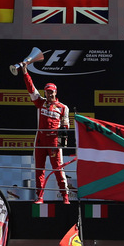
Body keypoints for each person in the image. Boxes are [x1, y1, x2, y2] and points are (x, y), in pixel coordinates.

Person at [22, 69, 72, 204]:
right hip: (40, 140)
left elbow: (65, 128)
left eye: (51, 92)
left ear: (56, 92)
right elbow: (31, 88)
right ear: (45, 92)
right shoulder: (40, 102)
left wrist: (62, 144)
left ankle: (65, 197)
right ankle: (40, 197)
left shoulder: (63, 108)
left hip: (54, 142)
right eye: (47, 91)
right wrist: (25, 72)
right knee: (39, 169)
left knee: (58, 169)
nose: (49, 94)